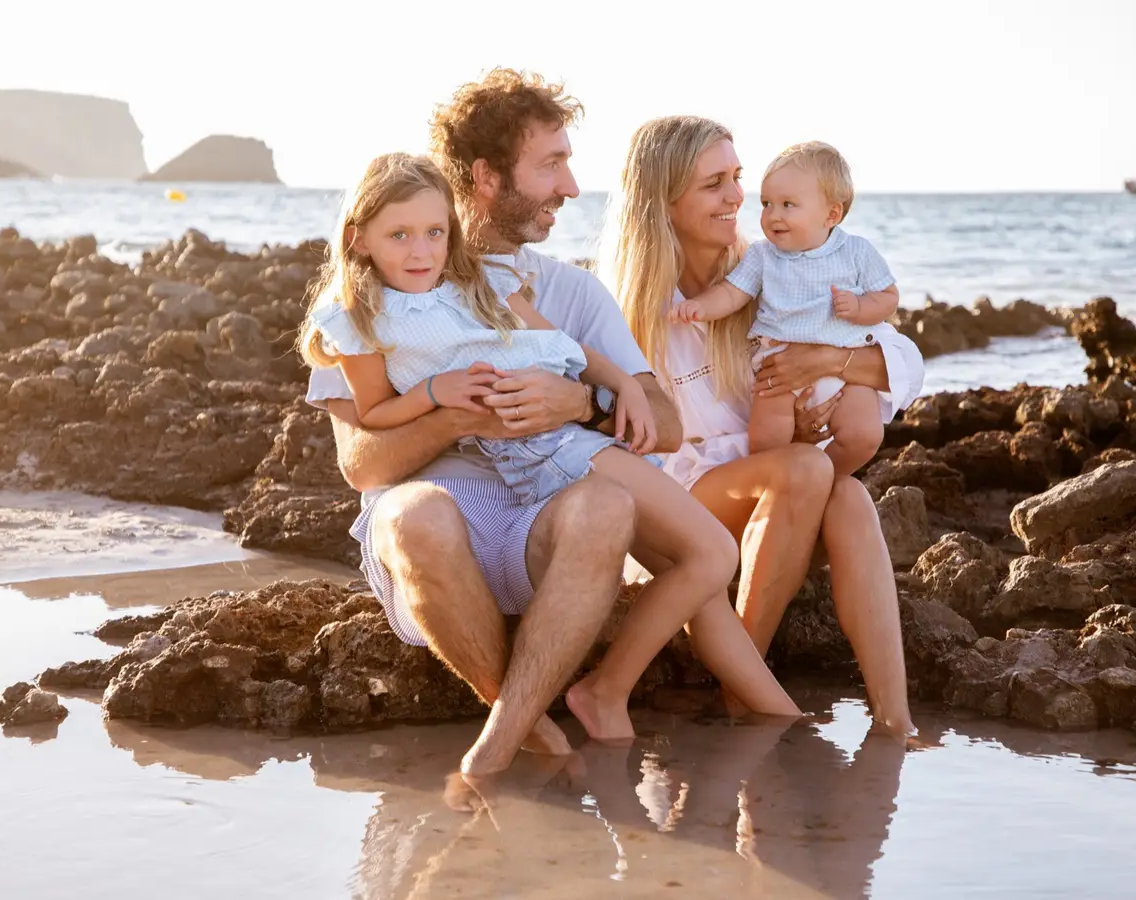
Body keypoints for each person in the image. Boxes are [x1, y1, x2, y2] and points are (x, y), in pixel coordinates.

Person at [304, 71, 800, 778]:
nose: (570, 187)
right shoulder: (381, 293)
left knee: (617, 510)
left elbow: (658, 420)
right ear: (484, 177)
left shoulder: (568, 290)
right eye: (551, 165)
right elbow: (361, 465)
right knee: (419, 517)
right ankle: (519, 724)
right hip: (439, 522)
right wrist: (454, 412)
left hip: (549, 515)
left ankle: (562, 716)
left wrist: (576, 404)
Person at [603, 115, 920, 735]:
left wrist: (828, 361)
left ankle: (895, 720)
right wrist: (789, 450)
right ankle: (745, 688)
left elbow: (902, 357)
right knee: (805, 468)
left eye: (737, 178)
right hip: (681, 499)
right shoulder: (627, 306)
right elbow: (635, 451)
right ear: (662, 200)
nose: (737, 198)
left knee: (850, 496)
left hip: (773, 484)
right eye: (714, 183)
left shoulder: (772, 267)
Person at [301, 151, 660, 507]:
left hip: (573, 434)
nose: (420, 252)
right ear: (358, 239)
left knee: (707, 552)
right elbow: (373, 415)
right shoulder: (357, 320)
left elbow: (564, 346)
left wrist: (622, 383)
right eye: (399, 235)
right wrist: (433, 391)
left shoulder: (482, 285)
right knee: (693, 548)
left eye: (434, 232)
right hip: (535, 453)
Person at [669, 141, 904, 476]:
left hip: (844, 366)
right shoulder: (763, 256)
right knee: (768, 439)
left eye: (787, 205)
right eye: (766, 204)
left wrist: (860, 307)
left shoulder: (855, 251)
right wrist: (699, 308)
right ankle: (784, 485)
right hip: (777, 365)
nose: (772, 215)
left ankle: (829, 480)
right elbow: (732, 293)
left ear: (831, 214)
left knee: (865, 435)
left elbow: (888, 297)